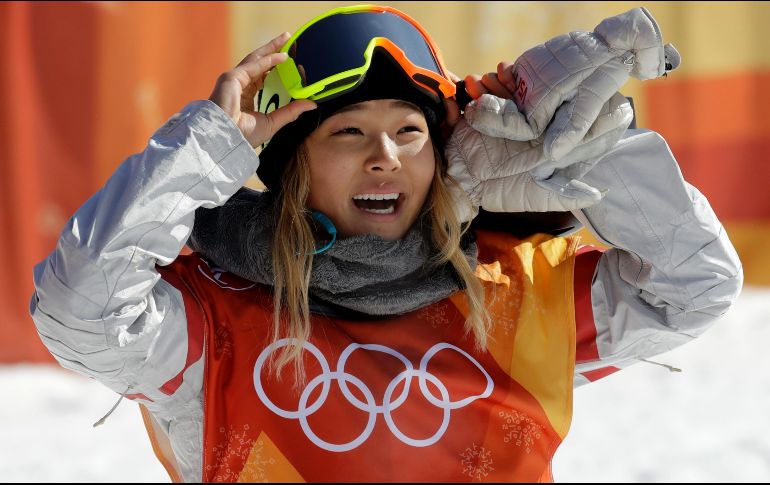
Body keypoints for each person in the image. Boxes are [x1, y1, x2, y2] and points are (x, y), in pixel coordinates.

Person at [30, 4, 742, 482]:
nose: (386, 157)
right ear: (292, 165)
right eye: (349, 132)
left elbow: (695, 286)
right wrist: (203, 149)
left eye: (409, 131)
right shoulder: (213, 320)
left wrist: (588, 156)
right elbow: (79, 310)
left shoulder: (515, 290)